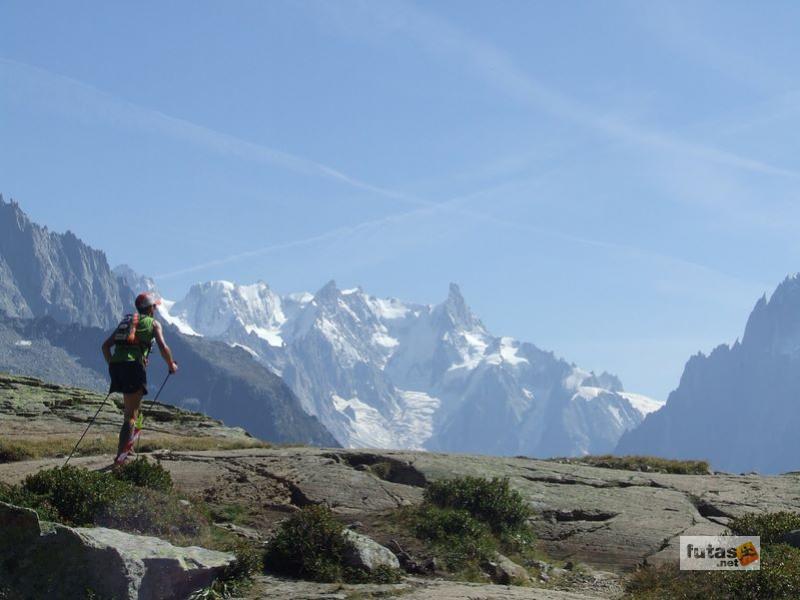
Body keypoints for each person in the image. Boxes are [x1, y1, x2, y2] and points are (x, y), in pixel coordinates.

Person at [102, 292, 178, 465]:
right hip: (133, 367)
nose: (156, 309)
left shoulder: (127, 321)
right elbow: (163, 347)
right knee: (130, 415)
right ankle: (122, 456)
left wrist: (112, 366)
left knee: (135, 410)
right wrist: (171, 365)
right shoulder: (153, 323)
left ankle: (129, 449)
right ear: (151, 308)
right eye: (155, 306)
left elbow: (105, 346)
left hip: (118, 367)